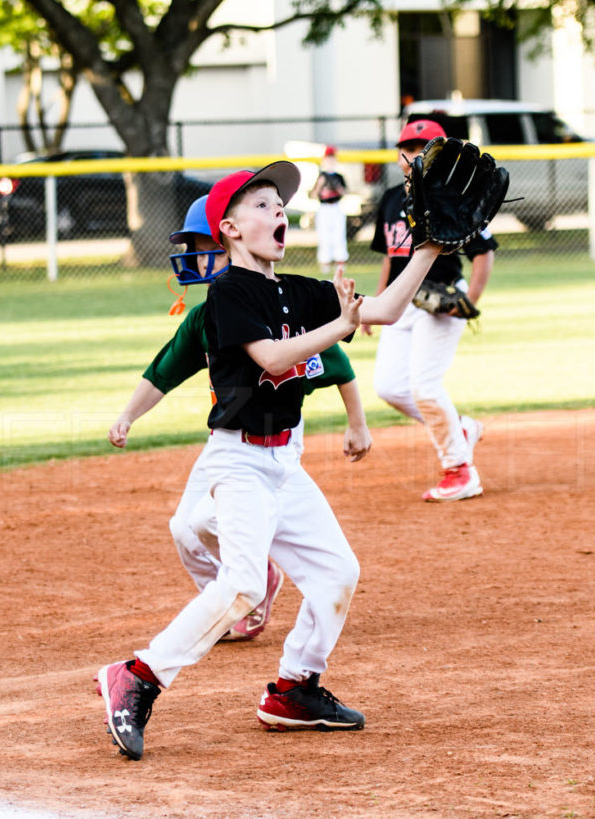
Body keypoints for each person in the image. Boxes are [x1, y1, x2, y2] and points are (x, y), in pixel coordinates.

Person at [96, 160, 443, 761]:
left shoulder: (297, 289)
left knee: (337, 573)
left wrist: (430, 249)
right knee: (241, 584)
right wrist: (339, 323)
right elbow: (275, 358)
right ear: (229, 228)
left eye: (281, 205)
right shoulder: (230, 293)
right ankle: (137, 676)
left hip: (286, 465)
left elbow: (382, 310)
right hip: (238, 463)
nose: (278, 212)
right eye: (262, 205)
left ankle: (292, 689)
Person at [108, 195, 372, 643]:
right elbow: (164, 371)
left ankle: (247, 582)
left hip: (278, 437)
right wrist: (128, 416)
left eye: (198, 244)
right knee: (184, 527)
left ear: (226, 239)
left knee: (209, 522)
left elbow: (339, 365)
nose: (190, 255)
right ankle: (241, 596)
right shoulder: (206, 316)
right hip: (229, 437)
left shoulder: (281, 306)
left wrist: (357, 423)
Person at [364, 119, 498, 502]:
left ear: (439, 152)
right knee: (389, 387)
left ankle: (460, 470)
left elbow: (484, 252)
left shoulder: (451, 198)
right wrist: (376, 304)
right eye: (406, 147)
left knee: (424, 387)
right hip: (399, 303)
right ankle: (461, 429)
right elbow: (391, 257)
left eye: (422, 146)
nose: (412, 154)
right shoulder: (391, 199)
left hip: (439, 303)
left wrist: (470, 299)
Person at [308, 145, 348, 275]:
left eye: (332, 158)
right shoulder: (321, 176)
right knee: (324, 236)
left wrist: (337, 187)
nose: (330, 161)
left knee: (339, 235)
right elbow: (312, 195)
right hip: (324, 208)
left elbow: (345, 193)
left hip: (336, 207)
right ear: (324, 160)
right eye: (328, 158)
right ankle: (324, 264)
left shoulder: (338, 176)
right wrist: (320, 184)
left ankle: (340, 263)